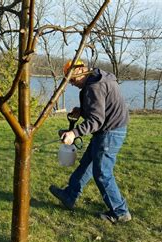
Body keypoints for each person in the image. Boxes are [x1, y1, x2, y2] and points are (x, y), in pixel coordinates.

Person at [49, 59, 131, 224]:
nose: (72, 84)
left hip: (110, 132)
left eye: (72, 79)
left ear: (79, 71)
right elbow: (101, 108)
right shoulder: (97, 78)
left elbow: (97, 120)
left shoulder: (94, 87)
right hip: (109, 130)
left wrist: (74, 132)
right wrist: (82, 110)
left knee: (102, 173)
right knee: (86, 164)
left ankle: (120, 212)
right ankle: (69, 196)